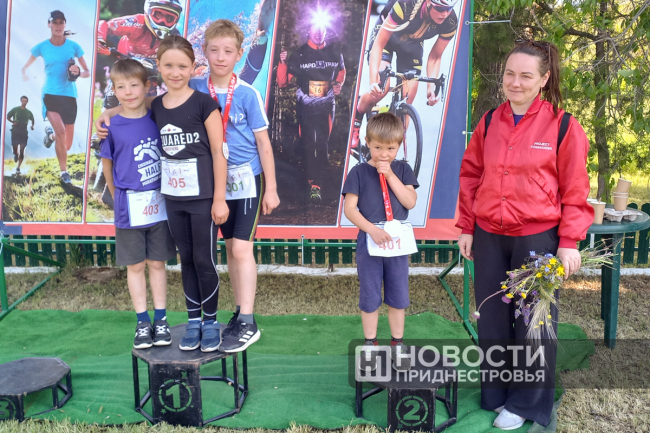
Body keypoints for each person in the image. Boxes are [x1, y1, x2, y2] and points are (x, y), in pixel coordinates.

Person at [456, 40, 593, 430]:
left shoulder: (563, 126)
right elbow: (471, 176)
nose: (515, 82)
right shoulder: (489, 122)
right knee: (493, 317)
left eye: (526, 76)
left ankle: (526, 403)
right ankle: (496, 393)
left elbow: (575, 188)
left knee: (535, 321)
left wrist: (569, 241)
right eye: (510, 74)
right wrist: (467, 226)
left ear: (544, 79)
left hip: (537, 239)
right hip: (488, 235)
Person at [189, 19, 280, 352]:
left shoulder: (247, 93)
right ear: (204, 51)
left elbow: (264, 144)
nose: (220, 57)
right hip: (214, 182)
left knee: (242, 249)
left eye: (228, 51)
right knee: (229, 249)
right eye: (214, 50)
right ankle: (240, 312)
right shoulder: (195, 87)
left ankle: (249, 321)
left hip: (247, 179)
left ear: (239, 54)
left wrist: (271, 188)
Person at [99, 59, 176, 349]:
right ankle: (143, 322)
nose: (129, 92)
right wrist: (117, 195)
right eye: (121, 87)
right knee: (135, 265)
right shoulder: (112, 126)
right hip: (128, 207)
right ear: (114, 91)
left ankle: (161, 319)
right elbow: (108, 166)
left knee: (157, 263)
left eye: (134, 85)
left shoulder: (157, 118)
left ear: (147, 86)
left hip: (159, 205)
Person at [342, 113, 418, 370]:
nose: (383, 154)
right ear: (367, 142)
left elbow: (410, 202)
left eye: (390, 149)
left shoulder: (403, 169)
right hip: (370, 241)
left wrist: (391, 175)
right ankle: (370, 344)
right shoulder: (358, 172)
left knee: (398, 295)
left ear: (399, 145)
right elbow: (350, 209)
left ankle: (398, 344)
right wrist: (371, 230)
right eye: (377, 148)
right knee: (370, 294)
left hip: (397, 244)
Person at [350, 0, 458, 154]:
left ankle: (389, 147)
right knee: (382, 88)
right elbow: (378, 45)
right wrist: (374, 81)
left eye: (449, 9)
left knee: (407, 97)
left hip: (412, 45)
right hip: (387, 39)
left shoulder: (450, 21)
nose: (445, 14)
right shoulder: (406, 5)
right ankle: (357, 115)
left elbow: (435, 57)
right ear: (428, 2)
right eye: (440, 8)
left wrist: (431, 88)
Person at [277, 20, 346, 202]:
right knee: (308, 143)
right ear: (308, 31)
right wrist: (282, 62)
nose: (318, 33)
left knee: (322, 144)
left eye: (321, 29)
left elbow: (341, 71)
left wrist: (338, 84)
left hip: (326, 104)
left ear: (326, 32)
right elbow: (283, 83)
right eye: (314, 29)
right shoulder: (299, 54)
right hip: (305, 105)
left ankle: (318, 186)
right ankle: (308, 183)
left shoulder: (334, 52)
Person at [21, 10, 91, 185]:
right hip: (50, 94)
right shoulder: (42, 46)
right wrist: (24, 73)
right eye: (55, 22)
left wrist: (78, 72)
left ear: (64, 24)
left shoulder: (74, 47)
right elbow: (26, 65)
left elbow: (87, 72)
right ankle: (64, 173)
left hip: (69, 96)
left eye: (61, 22)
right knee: (61, 132)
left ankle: (50, 136)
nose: (58, 25)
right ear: (49, 24)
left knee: (66, 144)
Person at [6, 96, 35, 175]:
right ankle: (16, 154)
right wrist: (13, 122)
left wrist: (32, 126)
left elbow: (32, 119)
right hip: (15, 130)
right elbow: (8, 116)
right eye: (23, 100)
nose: (24, 102)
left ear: (27, 102)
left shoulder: (28, 112)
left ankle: (18, 167)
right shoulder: (15, 109)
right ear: (21, 101)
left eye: (25, 101)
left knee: (22, 149)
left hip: (24, 131)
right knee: (15, 146)